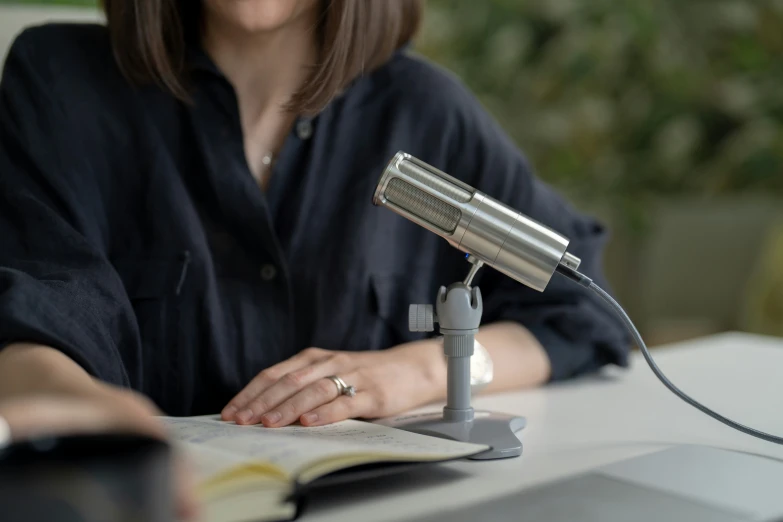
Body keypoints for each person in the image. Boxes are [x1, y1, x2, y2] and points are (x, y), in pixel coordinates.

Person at [0, 0, 629, 437]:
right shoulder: (59, 82)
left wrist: (422, 370)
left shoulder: (425, 113)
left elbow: (582, 310)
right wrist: (78, 410)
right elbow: (38, 305)